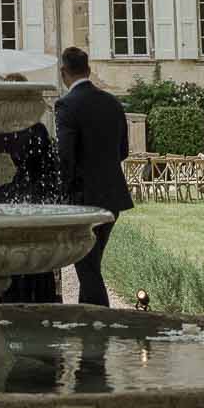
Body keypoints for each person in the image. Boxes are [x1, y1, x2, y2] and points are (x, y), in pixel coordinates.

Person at [53, 46, 130, 306]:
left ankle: (101, 321)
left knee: (87, 268)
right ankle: (86, 316)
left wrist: (61, 194)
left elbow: (65, 157)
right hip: (112, 196)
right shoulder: (112, 102)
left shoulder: (66, 105)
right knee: (91, 264)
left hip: (83, 198)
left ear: (64, 72)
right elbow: (123, 151)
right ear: (88, 69)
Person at [0, 81, 63, 303]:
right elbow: (50, 172)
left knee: (5, 258)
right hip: (32, 204)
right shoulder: (37, 130)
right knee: (35, 259)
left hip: (2, 204)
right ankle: (38, 303)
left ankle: (6, 301)